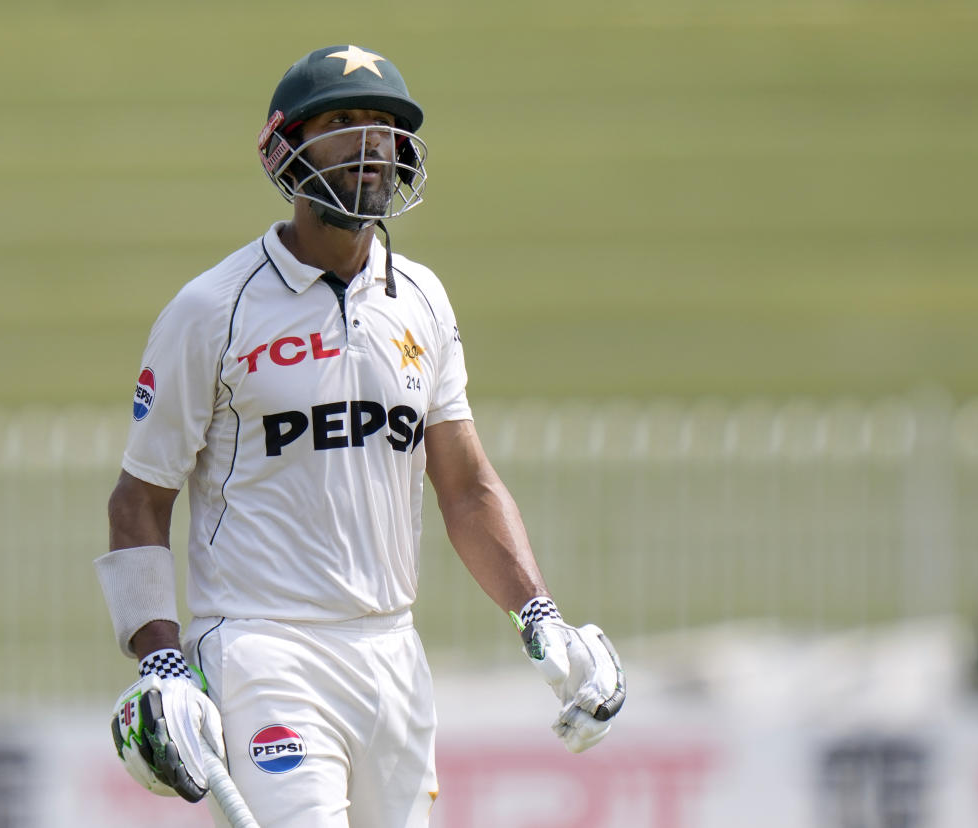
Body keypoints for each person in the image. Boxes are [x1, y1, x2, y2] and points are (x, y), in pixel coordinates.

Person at [95, 44, 624, 828]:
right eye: (344, 123)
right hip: (261, 651)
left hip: (392, 656)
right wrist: (161, 659)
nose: (372, 145)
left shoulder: (421, 301)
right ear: (285, 148)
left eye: (386, 126)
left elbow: (468, 488)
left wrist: (539, 613)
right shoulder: (212, 310)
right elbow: (138, 502)